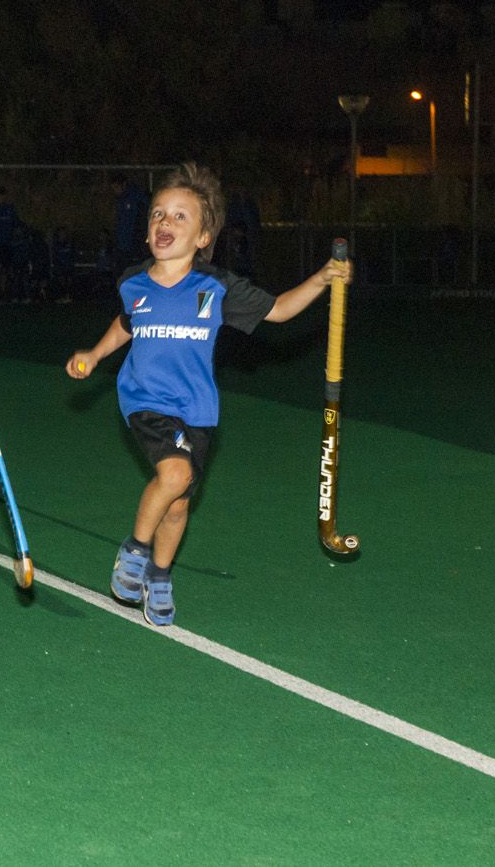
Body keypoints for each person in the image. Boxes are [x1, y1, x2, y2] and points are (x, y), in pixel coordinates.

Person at [66, 162, 351, 628]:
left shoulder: (215, 288)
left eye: (180, 217)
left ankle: (159, 576)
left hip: (197, 410)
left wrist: (322, 280)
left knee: (178, 504)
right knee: (175, 476)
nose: (165, 223)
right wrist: (95, 355)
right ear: (146, 229)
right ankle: (135, 552)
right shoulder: (133, 283)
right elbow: (125, 323)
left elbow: (278, 311)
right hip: (144, 399)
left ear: (203, 237)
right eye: (158, 214)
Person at [111, 172, 149, 271]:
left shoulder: (136, 196)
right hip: (123, 244)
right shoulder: (120, 201)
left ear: (123, 185)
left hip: (135, 242)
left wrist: (140, 238)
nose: (115, 191)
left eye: (116, 187)